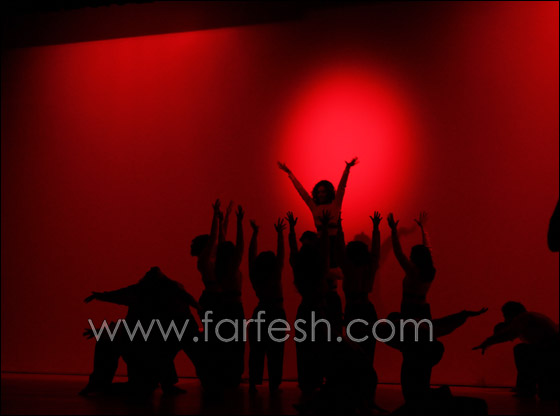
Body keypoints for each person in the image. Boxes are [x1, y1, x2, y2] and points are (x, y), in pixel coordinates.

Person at [80, 267, 200, 396]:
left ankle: (103, 385)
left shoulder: (154, 298)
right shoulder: (165, 298)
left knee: (143, 382)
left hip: (144, 349)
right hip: (140, 349)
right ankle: (101, 385)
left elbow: (120, 297)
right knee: (142, 382)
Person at [335, 211, 382, 407]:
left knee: (354, 353)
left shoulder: (349, 268)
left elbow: (339, 248)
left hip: (354, 310)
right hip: (367, 310)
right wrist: (376, 229)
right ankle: (366, 394)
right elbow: (376, 252)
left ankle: (356, 393)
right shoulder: (369, 267)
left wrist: (338, 226)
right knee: (367, 353)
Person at [278, 158, 358, 267]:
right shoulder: (315, 207)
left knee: (335, 269)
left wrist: (347, 169)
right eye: (319, 192)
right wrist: (290, 174)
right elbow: (302, 191)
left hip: (335, 244)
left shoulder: (335, 205)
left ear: (328, 192)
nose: (320, 195)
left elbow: (341, 188)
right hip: (320, 244)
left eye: (323, 192)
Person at [473, 301, 560, 399]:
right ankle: (530, 387)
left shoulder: (522, 318)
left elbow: (508, 334)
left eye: (505, 315)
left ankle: (526, 388)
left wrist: (487, 342)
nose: (505, 319)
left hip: (549, 350)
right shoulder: (530, 317)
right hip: (551, 350)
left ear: (511, 313)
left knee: (521, 350)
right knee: (524, 350)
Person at [287, 210, 330, 397]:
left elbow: (293, 252)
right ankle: (318, 380)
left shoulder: (299, 268)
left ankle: (306, 384)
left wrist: (291, 230)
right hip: (318, 309)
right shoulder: (320, 268)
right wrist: (325, 229)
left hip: (305, 309)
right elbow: (325, 250)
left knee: (304, 349)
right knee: (319, 347)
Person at [247, 218, 287, 393]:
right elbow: (281, 256)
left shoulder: (256, 275)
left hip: (261, 312)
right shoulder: (275, 275)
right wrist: (280, 234)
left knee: (257, 350)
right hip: (276, 312)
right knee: (276, 351)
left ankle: (254, 381)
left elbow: (250, 258)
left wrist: (255, 234)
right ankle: (274, 383)